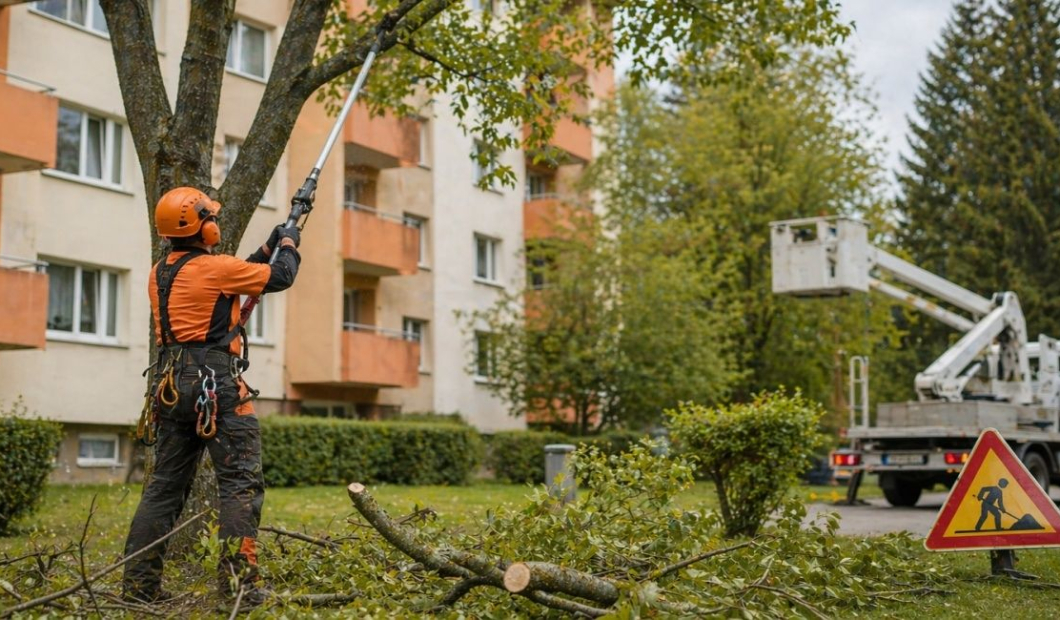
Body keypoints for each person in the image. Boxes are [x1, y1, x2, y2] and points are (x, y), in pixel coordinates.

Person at [122, 187, 301, 606]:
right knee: (240, 484)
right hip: (215, 384)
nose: (215, 224)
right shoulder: (216, 268)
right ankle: (240, 589)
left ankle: (138, 588)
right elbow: (280, 276)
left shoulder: (160, 272)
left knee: (164, 488)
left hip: (172, 385)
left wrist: (268, 246)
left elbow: (237, 275)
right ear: (204, 228)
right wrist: (290, 244)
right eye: (211, 218)